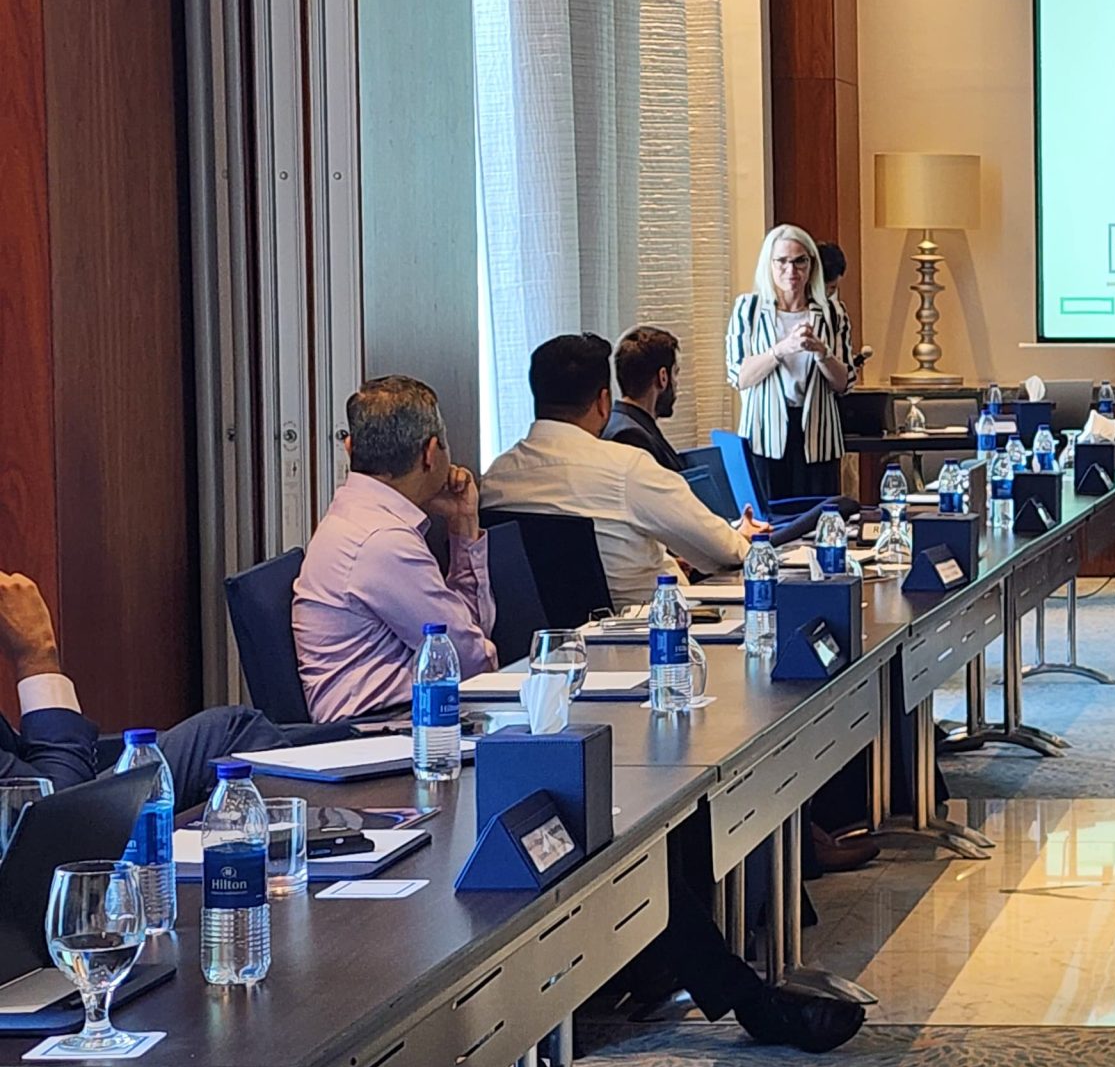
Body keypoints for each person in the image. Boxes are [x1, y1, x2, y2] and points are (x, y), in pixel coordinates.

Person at [0, 573, 347, 808]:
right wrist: (37, 654)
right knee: (230, 732)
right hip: (45, 851)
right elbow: (54, 814)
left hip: (44, 777)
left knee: (235, 738)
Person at [484, 334, 761, 607]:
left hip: (543, 635)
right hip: (647, 626)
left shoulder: (494, 480)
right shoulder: (627, 469)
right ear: (603, 402)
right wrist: (743, 538)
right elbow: (724, 551)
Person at [295, 376, 502, 724]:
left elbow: (465, 637)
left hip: (403, 718)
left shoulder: (357, 517)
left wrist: (463, 523)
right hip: (379, 729)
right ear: (430, 453)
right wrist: (479, 648)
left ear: (349, 448)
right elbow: (468, 660)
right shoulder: (382, 541)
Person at [725, 224, 863, 507]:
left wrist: (822, 352)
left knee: (819, 517)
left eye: (800, 261)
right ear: (769, 264)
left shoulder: (832, 312)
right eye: (782, 261)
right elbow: (740, 376)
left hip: (818, 436)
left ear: (811, 265)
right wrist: (781, 349)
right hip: (764, 435)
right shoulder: (749, 309)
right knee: (769, 520)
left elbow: (844, 383)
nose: (792, 271)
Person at [605, 325, 687, 472]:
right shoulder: (631, 436)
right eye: (675, 373)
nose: (677, 384)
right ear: (663, 377)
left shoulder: (615, 421)